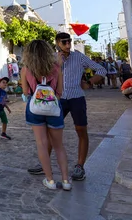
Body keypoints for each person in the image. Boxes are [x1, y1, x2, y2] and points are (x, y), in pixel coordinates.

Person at [27, 32, 106, 182]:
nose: (68, 45)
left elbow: (101, 70)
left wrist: (89, 83)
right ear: (57, 43)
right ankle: (44, 164)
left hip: (77, 97)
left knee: (81, 130)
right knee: (51, 132)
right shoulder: (51, 58)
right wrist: (56, 64)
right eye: (64, 42)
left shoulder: (79, 56)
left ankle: (80, 166)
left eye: (69, 41)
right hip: (58, 99)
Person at [21, 40, 70, 191]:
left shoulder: (25, 69)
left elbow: (26, 92)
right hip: (54, 109)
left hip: (35, 109)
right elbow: (60, 92)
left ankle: (50, 180)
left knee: (42, 144)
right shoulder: (56, 68)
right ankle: (66, 181)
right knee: (58, 146)